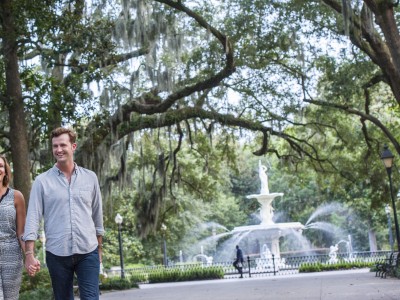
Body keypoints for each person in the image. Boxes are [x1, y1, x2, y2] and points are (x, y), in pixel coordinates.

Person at [24, 127, 104, 300]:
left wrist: (99, 248)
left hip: (87, 251)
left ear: (73, 146)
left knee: (91, 298)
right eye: (55, 146)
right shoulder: (42, 181)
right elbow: (32, 218)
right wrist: (29, 255)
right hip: (56, 253)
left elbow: (97, 216)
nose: (58, 150)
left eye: (62, 145)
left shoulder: (90, 178)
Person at [0, 155, 31, 299]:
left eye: (0, 166)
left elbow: (21, 232)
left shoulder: (16, 196)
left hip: (11, 253)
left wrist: (29, 256)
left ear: (5, 171)